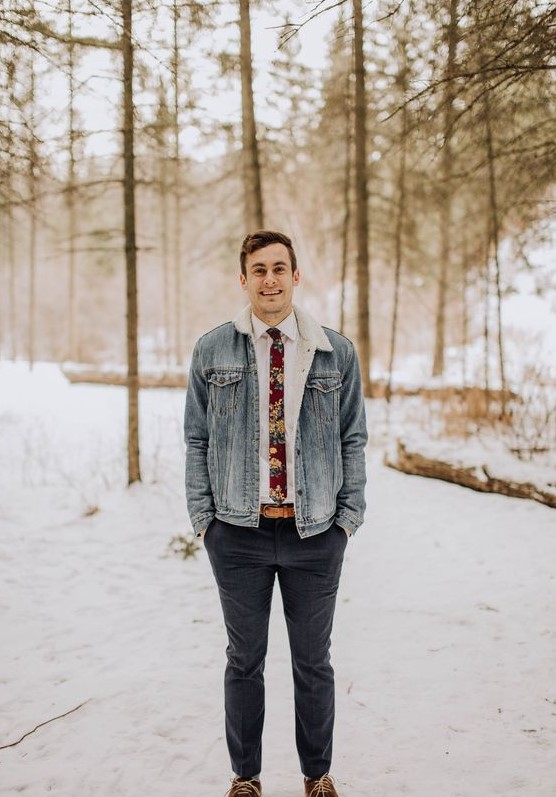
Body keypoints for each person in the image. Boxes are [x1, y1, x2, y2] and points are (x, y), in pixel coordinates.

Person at [184, 230, 367, 797]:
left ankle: (317, 776)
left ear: (296, 276)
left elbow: (352, 438)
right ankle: (246, 778)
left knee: (314, 662)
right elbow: (196, 439)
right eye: (258, 270)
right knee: (245, 660)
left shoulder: (335, 350)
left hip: (315, 533)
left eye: (279, 269)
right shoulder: (212, 349)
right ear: (244, 279)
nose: (269, 279)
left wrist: (346, 519)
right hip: (238, 532)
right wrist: (205, 519)